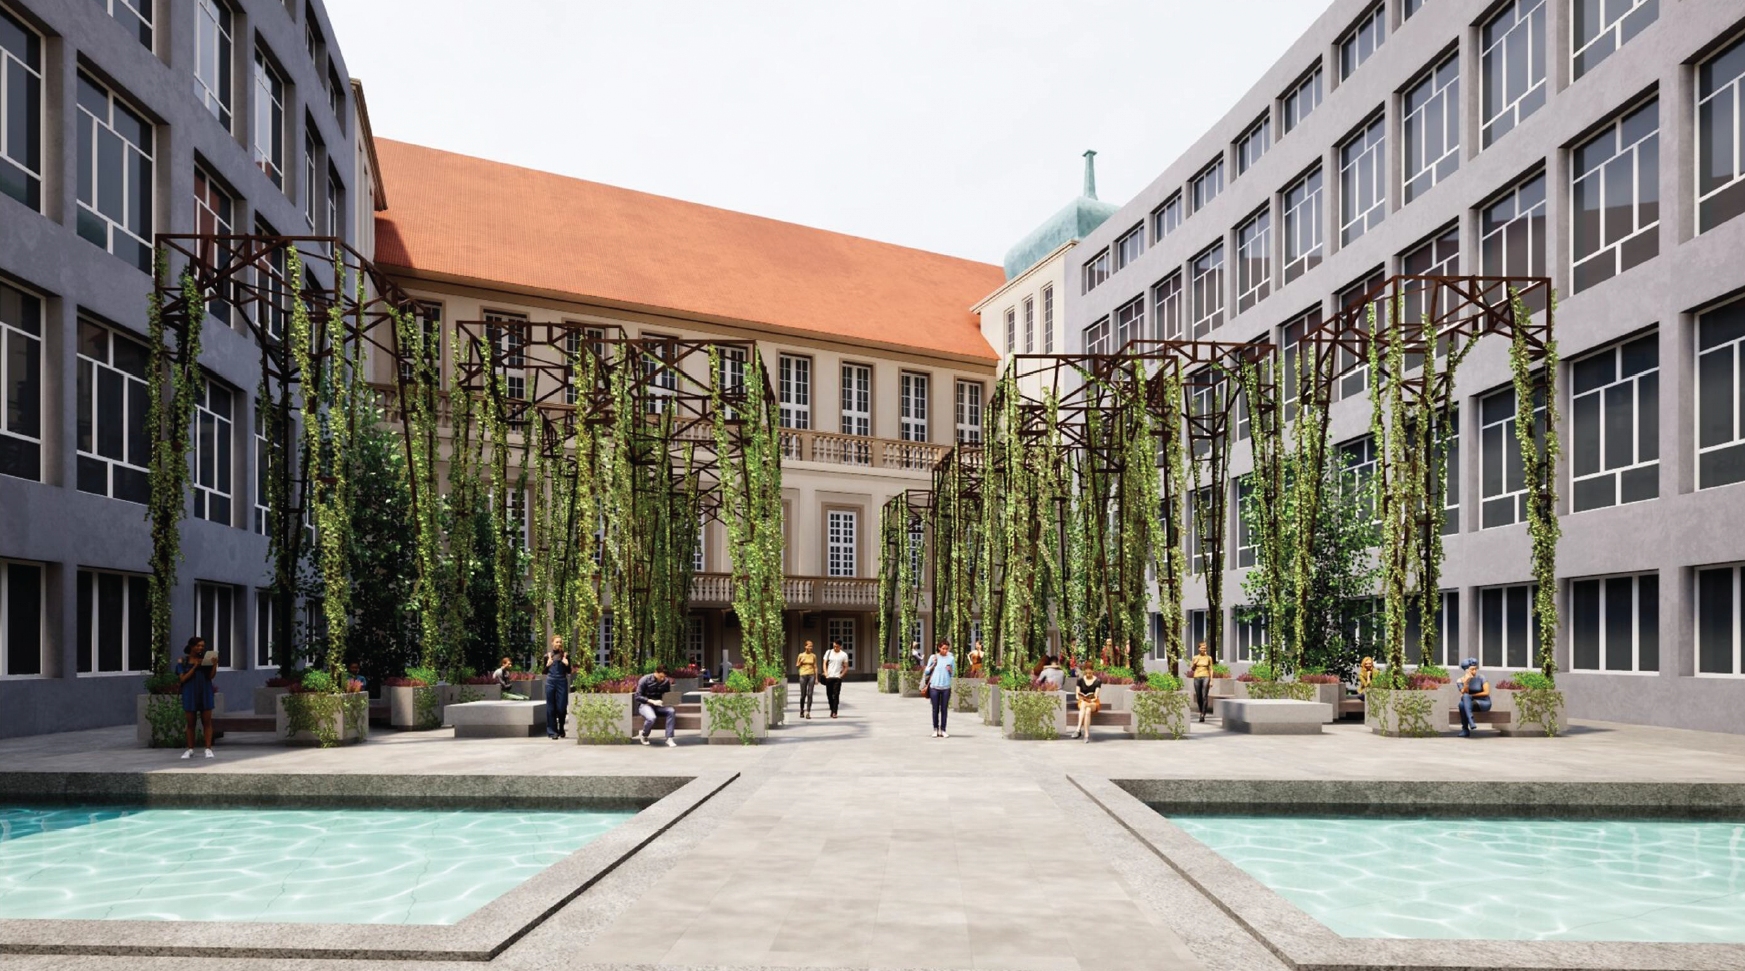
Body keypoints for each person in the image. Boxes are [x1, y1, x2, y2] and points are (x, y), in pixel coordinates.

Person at [175, 636, 217, 759]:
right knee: (190, 723)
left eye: (202, 646)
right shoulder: (182, 661)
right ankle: (190, 749)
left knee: (207, 722)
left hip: (205, 691)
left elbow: (210, 677)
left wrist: (214, 665)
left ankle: (208, 749)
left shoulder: (206, 660)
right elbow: (182, 679)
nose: (200, 648)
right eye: (198, 645)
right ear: (191, 646)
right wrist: (194, 667)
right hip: (190, 693)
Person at [634, 664, 677, 746]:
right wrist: (651, 701)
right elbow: (637, 697)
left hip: (659, 705)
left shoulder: (666, 681)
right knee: (651, 717)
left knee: (671, 711)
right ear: (656, 672)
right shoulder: (645, 680)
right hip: (645, 705)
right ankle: (644, 735)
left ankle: (669, 738)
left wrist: (670, 700)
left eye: (664, 677)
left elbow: (666, 695)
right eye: (660, 676)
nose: (662, 679)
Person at [923, 641, 954, 737]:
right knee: (935, 709)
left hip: (946, 687)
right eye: (943, 648)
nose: (945, 650)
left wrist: (950, 670)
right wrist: (933, 664)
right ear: (939, 648)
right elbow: (927, 671)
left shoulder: (951, 658)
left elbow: (953, 674)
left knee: (944, 709)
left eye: (947, 648)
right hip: (934, 687)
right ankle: (935, 729)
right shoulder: (933, 657)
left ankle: (943, 729)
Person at [544, 636, 571, 740]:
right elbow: (544, 672)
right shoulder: (548, 656)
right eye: (557, 642)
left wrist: (567, 664)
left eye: (560, 642)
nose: (559, 644)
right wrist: (547, 665)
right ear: (552, 643)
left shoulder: (565, 655)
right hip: (550, 682)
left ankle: (561, 728)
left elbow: (568, 671)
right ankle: (552, 732)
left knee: (561, 708)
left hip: (562, 682)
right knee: (551, 707)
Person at [1456, 658, 1492, 737]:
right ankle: (1469, 724)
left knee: (1464, 700)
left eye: (1476, 669)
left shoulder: (1481, 678)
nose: (1474, 671)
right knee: (1462, 703)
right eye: (1472, 669)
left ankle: (1466, 727)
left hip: (1483, 702)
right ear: (1466, 670)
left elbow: (1486, 692)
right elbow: (1463, 693)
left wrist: (1471, 696)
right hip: (1469, 704)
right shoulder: (1460, 680)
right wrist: (1466, 682)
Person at [1072, 663, 1103, 741]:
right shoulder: (1080, 680)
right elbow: (1077, 694)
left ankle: (1078, 729)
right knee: (1087, 710)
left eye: (1090, 673)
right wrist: (1080, 697)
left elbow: (1096, 696)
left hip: (1093, 702)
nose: (1088, 674)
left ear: (1093, 671)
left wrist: (1090, 700)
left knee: (1085, 705)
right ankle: (1086, 735)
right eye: (1087, 673)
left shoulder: (1098, 681)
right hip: (1082, 701)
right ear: (1084, 671)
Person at [821, 640, 849, 718]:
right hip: (829, 677)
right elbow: (824, 663)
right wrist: (825, 673)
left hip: (837, 677)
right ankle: (832, 708)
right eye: (834, 646)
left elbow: (846, 667)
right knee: (829, 694)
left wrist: (841, 675)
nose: (835, 648)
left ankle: (834, 712)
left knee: (836, 695)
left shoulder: (844, 655)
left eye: (836, 646)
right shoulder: (828, 652)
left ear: (840, 646)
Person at [1190, 642, 1214, 722]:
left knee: (1204, 696)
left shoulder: (1209, 658)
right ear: (1199, 648)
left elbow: (1211, 669)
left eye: (1205, 648)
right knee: (1198, 697)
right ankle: (1201, 710)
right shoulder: (1195, 657)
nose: (1204, 649)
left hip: (1206, 677)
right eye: (1202, 648)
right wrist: (1194, 663)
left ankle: (1203, 714)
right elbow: (1192, 669)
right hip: (1197, 677)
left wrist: (1211, 680)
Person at [796, 641, 819, 719]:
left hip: (811, 675)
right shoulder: (801, 655)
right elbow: (797, 665)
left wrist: (816, 678)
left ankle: (808, 712)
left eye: (811, 646)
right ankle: (802, 710)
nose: (810, 648)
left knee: (810, 694)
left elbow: (815, 666)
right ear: (805, 646)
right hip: (803, 675)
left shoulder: (813, 656)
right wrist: (801, 662)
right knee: (803, 695)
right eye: (809, 646)